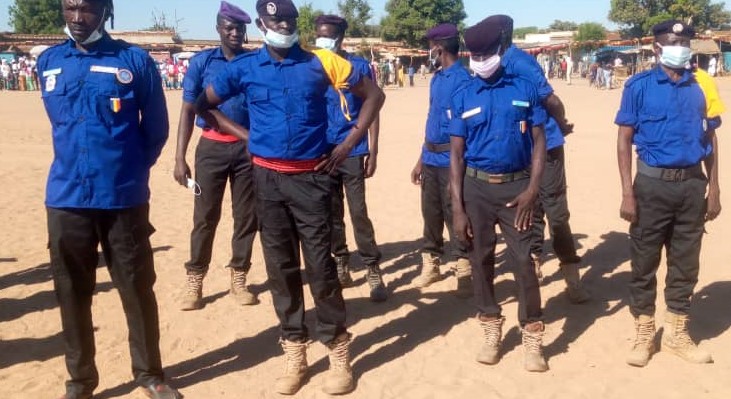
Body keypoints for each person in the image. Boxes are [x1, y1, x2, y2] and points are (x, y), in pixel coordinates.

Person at [194, 0, 385, 394]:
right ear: (261, 24)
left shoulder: (322, 62)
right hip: (266, 182)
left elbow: (374, 96)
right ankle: (295, 351)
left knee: (321, 268)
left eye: (289, 19)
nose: (282, 24)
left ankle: (337, 351)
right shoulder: (244, 68)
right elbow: (203, 105)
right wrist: (249, 138)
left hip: (312, 182)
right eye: (274, 19)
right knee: (280, 270)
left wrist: (350, 141)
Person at [38, 1, 181, 398]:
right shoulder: (49, 62)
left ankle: (150, 374)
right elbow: (59, 124)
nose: (77, 18)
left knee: (136, 288)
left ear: (105, 11)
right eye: (70, 7)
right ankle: (80, 380)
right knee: (71, 292)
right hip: (66, 197)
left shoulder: (133, 61)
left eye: (87, 9)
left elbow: (156, 130)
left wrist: (128, 169)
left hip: (123, 198)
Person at [616, 20, 723, 368]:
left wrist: (715, 187)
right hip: (651, 186)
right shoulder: (638, 86)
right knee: (644, 261)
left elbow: (710, 139)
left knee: (685, 263)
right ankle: (644, 332)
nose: (681, 45)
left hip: (693, 186)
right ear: (657, 47)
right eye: (674, 40)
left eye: (685, 40)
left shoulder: (702, 86)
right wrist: (627, 193)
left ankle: (677, 332)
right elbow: (624, 140)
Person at [450, 16, 548, 372]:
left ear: (500, 50)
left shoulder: (524, 88)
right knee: (481, 260)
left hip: (517, 189)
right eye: (473, 55)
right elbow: (456, 155)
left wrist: (533, 190)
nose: (479, 60)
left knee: (524, 261)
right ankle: (491, 327)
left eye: (485, 53)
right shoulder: (463, 94)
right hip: (475, 190)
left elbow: (539, 142)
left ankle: (533, 335)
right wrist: (458, 208)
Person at [487, 15, 589, 303]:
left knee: (556, 212)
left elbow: (551, 99)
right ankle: (532, 265)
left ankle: (571, 276)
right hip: (518, 149)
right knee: (527, 210)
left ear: (503, 35)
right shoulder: (492, 63)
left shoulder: (520, 62)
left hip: (547, 146)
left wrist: (563, 122)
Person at [174, 1, 258, 311]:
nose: (235, 33)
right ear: (218, 30)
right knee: (205, 218)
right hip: (210, 148)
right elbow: (187, 110)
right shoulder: (202, 63)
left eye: (239, 28)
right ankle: (195, 280)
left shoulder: (254, 62)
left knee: (247, 217)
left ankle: (239, 278)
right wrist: (179, 157)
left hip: (248, 150)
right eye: (229, 28)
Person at [314, 14, 387, 302]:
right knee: (331, 213)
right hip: (323, 150)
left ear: (340, 38)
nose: (322, 40)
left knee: (358, 212)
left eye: (327, 35)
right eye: (318, 34)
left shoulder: (357, 66)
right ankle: (341, 259)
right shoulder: (313, 65)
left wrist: (373, 149)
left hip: (353, 150)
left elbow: (374, 106)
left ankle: (372, 266)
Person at [410, 23, 472, 297]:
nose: (429, 50)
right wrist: (420, 160)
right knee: (430, 214)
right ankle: (432, 264)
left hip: (451, 159)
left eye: (431, 45)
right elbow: (431, 120)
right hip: (431, 157)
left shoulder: (464, 80)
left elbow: (465, 128)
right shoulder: (437, 78)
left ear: (440, 47)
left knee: (454, 213)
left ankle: (463, 267)